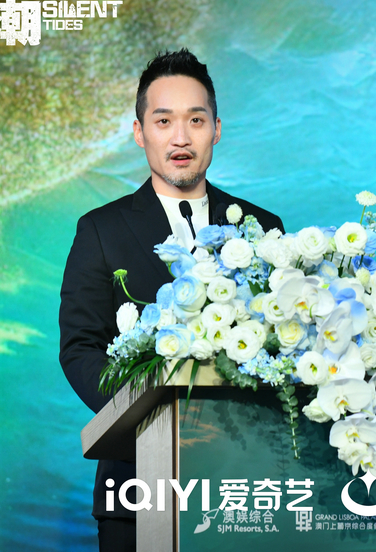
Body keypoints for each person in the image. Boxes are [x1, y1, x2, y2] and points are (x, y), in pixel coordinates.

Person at [59, 49, 284, 551]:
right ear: (140, 132)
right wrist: (150, 412)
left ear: (216, 130)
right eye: (163, 121)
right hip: (138, 485)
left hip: (245, 488)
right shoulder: (100, 231)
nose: (180, 138)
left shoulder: (264, 228)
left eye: (195, 120)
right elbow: (79, 348)